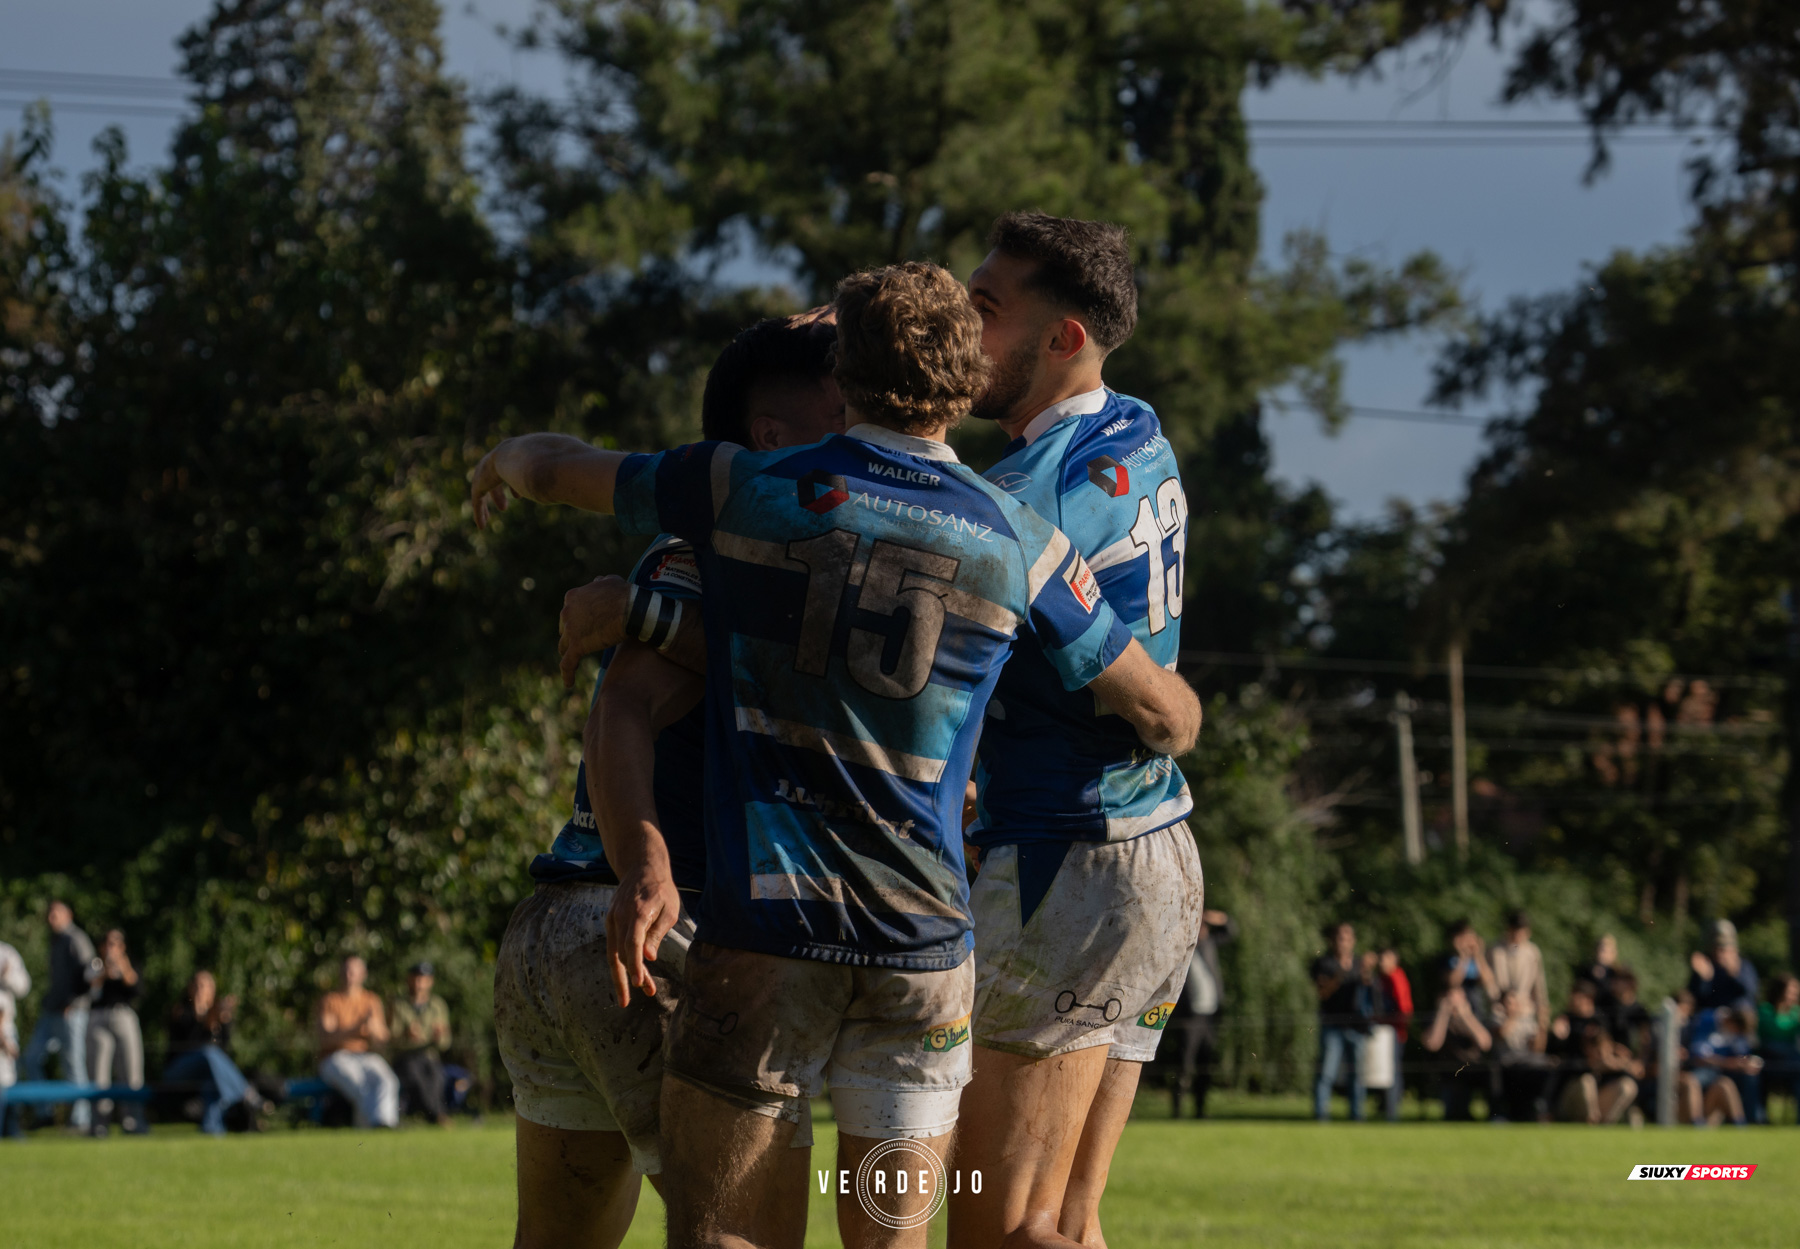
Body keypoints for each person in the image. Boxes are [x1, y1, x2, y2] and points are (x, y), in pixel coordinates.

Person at [472, 260, 1200, 1249]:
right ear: (959, 380)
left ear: (850, 380)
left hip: (771, 939)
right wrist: (1181, 713)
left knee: (729, 1234)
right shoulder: (1018, 533)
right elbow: (1150, 700)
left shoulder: (750, 489)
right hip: (921, 956)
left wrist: (510, 461)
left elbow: (564, 472)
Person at [498, 315, 841, 1249]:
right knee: (740, 1237)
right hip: (645, 928)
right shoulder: (724, 538)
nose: (862, 416)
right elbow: (624, 711)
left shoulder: (738, 546)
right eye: (840, 400)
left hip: (559, 933)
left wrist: (637, 606)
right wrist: (646, 861)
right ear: (771, 436)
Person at [943, 213, 1202, 1249]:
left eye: (986, 309)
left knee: (991, 1225)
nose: (964, 330)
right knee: (1064, 1222)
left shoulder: (1022, 496)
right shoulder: (1134, 426)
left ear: (1064, 338)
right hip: (1156, 855)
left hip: (1068, 862)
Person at [22, 901, 96, 1131]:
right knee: (31, 1058)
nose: (51, 916)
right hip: (51, 1011)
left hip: (71, 1012)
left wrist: (75, 1002)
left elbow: (92, 972)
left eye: (56, 913)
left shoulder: (76, 938)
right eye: (49, 912)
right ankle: (45, 1112)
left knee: (73, 1062)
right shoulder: (55, 940)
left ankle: (80, 1118)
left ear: (68, 915)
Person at [164, 970, 262, 1136]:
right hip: (177, 1072)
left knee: (213, 1082)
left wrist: (224, 1021)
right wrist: (199, 1016)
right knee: (209, 1053)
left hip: (205, 1076)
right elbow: (188, 1046)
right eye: (198, 985)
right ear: (190, 988)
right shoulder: (180, 1013)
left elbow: (224, 1054)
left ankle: (212, 1128)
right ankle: (246, 1093)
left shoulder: (216, 1017)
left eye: (206, 986)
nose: (201, 990)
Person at [316, 956, 398, 1129]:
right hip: (335, 1058)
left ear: (363, 974)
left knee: (388, 1081)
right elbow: (326, 1038)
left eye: (353, 971)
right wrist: (356, 1029)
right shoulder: (330, 1001)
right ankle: (371, 1129)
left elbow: (382, 1039)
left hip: (365, 1055)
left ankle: (385, 1125)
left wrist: (373, 1028)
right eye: (345, 970)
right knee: (359, 1084)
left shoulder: (371, 1001)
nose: (348, 975)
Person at [1169, 910, 1234, 1119]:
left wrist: (1221, 919)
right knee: (1184, 1065)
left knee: (1206, 1065)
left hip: (1210, 1015)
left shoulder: (1209, 946)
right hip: (1189, 1017)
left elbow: (1232, 932)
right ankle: (1177, 1111)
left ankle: (1200, 1110)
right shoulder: (1180, 951)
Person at [1547, 982, 1640, 1125]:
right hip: (1571, 1091)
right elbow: (1556, 1056)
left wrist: (1622, 1063)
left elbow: (1611, 1052)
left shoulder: (1602, 1021)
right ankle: (1591, 1120)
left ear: (1588, 999)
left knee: (1628, 1086)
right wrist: (1556, 1036)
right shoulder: (1565, 1021)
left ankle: (1604, 1124)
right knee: (1587, 1081)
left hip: (1600, 1089)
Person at [85, 929, 146, 1135]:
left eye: (117, 943)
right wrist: (104, 974)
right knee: (98, 1074)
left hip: (123, 1015)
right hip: (99, 1017)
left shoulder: (129, 963)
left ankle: (133, 1122)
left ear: (123, 947)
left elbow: (137, 990)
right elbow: (87, 990)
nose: (112, 947)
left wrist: (123, 968)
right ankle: (99, 1124)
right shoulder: (95, 964)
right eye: (109, 943)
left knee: (130, 1070)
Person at [1311, 922, 1371, 1122]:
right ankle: (1321, 1115)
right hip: (1332, 1026)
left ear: (1353, 941)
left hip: (1356, 1026)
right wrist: (1341, 974)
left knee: (1357, 1075)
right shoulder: (1324, 964)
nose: (1343, 943)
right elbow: (1323, 993)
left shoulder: (1360, 964)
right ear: (1333, 941)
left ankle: (1357, 1116)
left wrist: (1368, 974)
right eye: (1339, 938)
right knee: (1327, 1073)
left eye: (1347, 938)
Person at [1421, 964, 1493, 1121]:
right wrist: (1443, 1014)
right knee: (1453, 1114)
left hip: (1473, 1069)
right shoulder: (1437, 1019)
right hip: (1448, 1072)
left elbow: (1484, 1043)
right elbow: (1432, 1044)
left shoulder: (1473, 1018)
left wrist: (1466, 1016)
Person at [391, 962, 452, 1126]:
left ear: (430, 981)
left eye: (423, 979)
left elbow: (445, 1043)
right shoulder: (398, 1004)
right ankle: (437, 1115)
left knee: (437, 1077)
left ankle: (434, 1114)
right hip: (406, 1057)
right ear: (409, 980)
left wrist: (439, 1037)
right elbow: (391, 1039)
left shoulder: (438, 1006)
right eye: (416, 979)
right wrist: (406, 1035)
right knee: (415, 1076)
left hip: (428, 1056)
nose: (419, 984)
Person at [1688, 1006, 1761, 1126]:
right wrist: (1727, 1063)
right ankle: (1696, 1121)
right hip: (1700, 1070)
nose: (1735, 1034)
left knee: (1731, 1083)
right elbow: (1699, 1056)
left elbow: (1741, 1054)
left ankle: (1745, 1123)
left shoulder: (1734, 1032)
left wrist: (1746, 1063)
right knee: (1696, 1080)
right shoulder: (1707, 1020)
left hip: (1719, 1073)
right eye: (1736, 1030)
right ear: (1731, 1021)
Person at [1492, 989, 1554, 1122]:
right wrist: (1514, 1016)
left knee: (1548, 1065)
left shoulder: (1526, 1021)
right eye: (1509, 1003)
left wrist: (1542, 1025)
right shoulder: (1497, 1019)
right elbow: (1502, 1035)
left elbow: (1538, 1049)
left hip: (1526, 1063)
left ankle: (1542, 1108)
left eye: (1515, 1003)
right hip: (1507, 1064)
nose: (1513, 1006)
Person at [1487, 910, 1550, 1037]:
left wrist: (1542, 1012)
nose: (1518, 936)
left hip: (1524, 1011)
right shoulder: (1495, 950)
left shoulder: (1532, 952)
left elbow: (1539, 985)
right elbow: (1489, 982)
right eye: (1515, 932)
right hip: (1500, 1010)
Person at [1687, 919, 1759, 1013]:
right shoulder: (1707, 966)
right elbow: (1697, 998)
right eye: (1716, 949)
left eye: (1724, 949)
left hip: (1737, 1019)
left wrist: (1735, 974)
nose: (1720, 954)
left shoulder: (1744, 966)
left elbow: (1751, 991)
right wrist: (1703, 979)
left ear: (1734, 949)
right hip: (1712, 1020)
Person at [1376, 948, 1413, 1122]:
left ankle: (1392, 1113)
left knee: (1392, 1072)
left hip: (1394, 1033)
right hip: (1389, 1032)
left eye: (1386, 959)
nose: (1382, 962)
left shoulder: (1395, 978)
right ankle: (1388, 1110)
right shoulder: (1384, 978)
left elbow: (1404, 1009)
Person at [1757, 974, 1800, 1104]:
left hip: (1791, 1060)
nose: (1794, 996)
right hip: (1769, 1056)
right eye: (1790, 992)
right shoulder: (1765, 1010)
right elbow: (1775, 1028)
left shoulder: (1796, 1011)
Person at [0, 939, 28, 1136]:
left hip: (5, 1024)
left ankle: (11, 1128)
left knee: (7, 1077)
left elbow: (23, 987)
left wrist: (7, 974)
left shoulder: (7, 952)